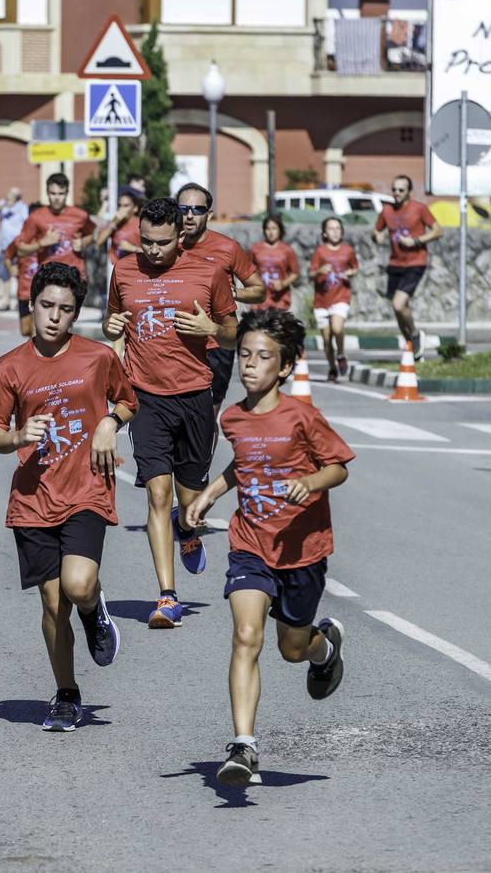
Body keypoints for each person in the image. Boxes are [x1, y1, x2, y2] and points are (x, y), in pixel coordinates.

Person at [184, 309, 351, 787]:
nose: (250, 365)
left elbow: (338, 466)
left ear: (284, 367)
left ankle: (323, 648)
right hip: (251, 543)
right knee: (246, 635)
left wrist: (311, 481)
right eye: (244, 355)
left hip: (303, 548)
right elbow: (245, 462)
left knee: (291, 648)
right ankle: (244, 745)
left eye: (263, 358)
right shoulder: (234, 416)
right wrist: (211, 493)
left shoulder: (302, 416)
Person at [0, 262, 135, 731]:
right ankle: (66, 693)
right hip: (33, 498)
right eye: (46, 305)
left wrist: (110, 422)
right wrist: (19, 436)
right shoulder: (10, 367)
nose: (54, 316)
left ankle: (94, 609)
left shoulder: (98, 357)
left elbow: (127, 400)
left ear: (75, 314)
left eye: (65, 309)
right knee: (52, 604)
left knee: (79, 585)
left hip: (86, 487)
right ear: (32, 306)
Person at [103, 198, 238, 629]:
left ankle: (189, 528)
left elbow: (235, 332)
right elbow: (113, 318)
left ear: (180, 237)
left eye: (162, 243)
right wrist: (111, 329)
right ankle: (167, 596)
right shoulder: (124, 270)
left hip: (196, 395)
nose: (153, 251)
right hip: (146, 396)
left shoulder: (208, 272)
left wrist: (213, 330)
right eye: (146, 242)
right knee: (156, 494)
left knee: (188, 496)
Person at [175, 183, 266, 414]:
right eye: (183, 209)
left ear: (209, 214)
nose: (189, 215)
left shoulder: (228, 248)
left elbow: (259, 289)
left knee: (208, 414)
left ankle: (204, 451)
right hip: (174, 342)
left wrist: (234, 293)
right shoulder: (167, 246)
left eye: (197, 210)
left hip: (216, 342)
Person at [373, 175, 441, 359]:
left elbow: (437, 231)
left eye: (401, 190)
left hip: (415, 262)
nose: (396, 193)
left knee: (398, 304)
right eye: (394, 189)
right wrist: (377, 236)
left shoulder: (419, 209)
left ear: (409, 192)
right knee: (400, 310)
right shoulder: (386, 211)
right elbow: (377, 230)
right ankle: (411, 348)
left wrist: (416, 241)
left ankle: (416, 334)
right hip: (395, 263)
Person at [14, 173, 96, 287]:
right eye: (53, 193)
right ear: (47, 193)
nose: (57, 198)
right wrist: (41, 243)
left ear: (67, 193)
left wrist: (83, 243)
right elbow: (20, 250)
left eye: (61, 193)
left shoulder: (80, 215)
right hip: (48, 278)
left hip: (74, 276)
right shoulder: (36, 217)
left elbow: (94, 235)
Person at [310, 217, 359, 381]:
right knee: (326, 338)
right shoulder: (320, 251)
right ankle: (332, 368)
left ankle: (341, 354)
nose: (335, 231)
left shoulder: (348, 250)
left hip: (341, 295)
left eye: (338, 228)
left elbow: (355, 267)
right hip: (322, 299)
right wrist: (320, 271)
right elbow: (311, 273)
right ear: (324, 232)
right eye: (331, 228)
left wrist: (350, 273)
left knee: (337, 328)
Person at [6, 201, 46, 337]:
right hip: (24, 290)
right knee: (25, 331)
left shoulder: (48, 239)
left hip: (42, 291)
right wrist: (10, 268)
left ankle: (37, 356)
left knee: (36, 330)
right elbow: (8, 256)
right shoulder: (20, 240)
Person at [250, 216, 300, 314]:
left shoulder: (287, 250)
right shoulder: (255, 249)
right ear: (264, 230)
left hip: (280, 299)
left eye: (274, 228)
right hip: (260, 298)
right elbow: (248, 271)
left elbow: (295, 273)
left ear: (280, 230)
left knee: (276, 327)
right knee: (260, 328)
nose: (271, 232)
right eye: (268, 228)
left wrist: (283, 284)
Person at [0, 186, 27, 311]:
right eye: (9, 193)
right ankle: (6, 301)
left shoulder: (22, 207)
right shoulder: (3, 204)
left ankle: (20, 301)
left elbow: (26, 222)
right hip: (3, 246)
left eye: (12, 194)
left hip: (17, 246)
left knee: (18, 274)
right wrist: (6, 204)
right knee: (4, 275)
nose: (10, 195)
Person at [97, 188, 143, 270]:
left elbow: (151, 252)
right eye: (119, 205)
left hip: (135, 267)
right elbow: (99, 241)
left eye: (126, 206)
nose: (121, 209)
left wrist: (132, 248)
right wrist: (115, 221)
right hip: (115, 267)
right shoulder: (115, 222)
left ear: (135, 208)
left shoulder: (141, 224)